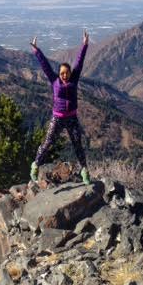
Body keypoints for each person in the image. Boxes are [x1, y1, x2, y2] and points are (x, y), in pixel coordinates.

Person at [30, 30, 91, 185]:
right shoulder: (54, 80)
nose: (65, 75)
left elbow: (79, 62)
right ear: (59, 74)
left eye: (67, 73)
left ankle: (84, 170)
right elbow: (45, 66)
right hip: (57, 117)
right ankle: (35, 165)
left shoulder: (74, 80)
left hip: (71, 117)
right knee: (47, 142)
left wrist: (85, 45)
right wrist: (37, 50)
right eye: (62, 73)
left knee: (78, 144)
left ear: (70, 73)